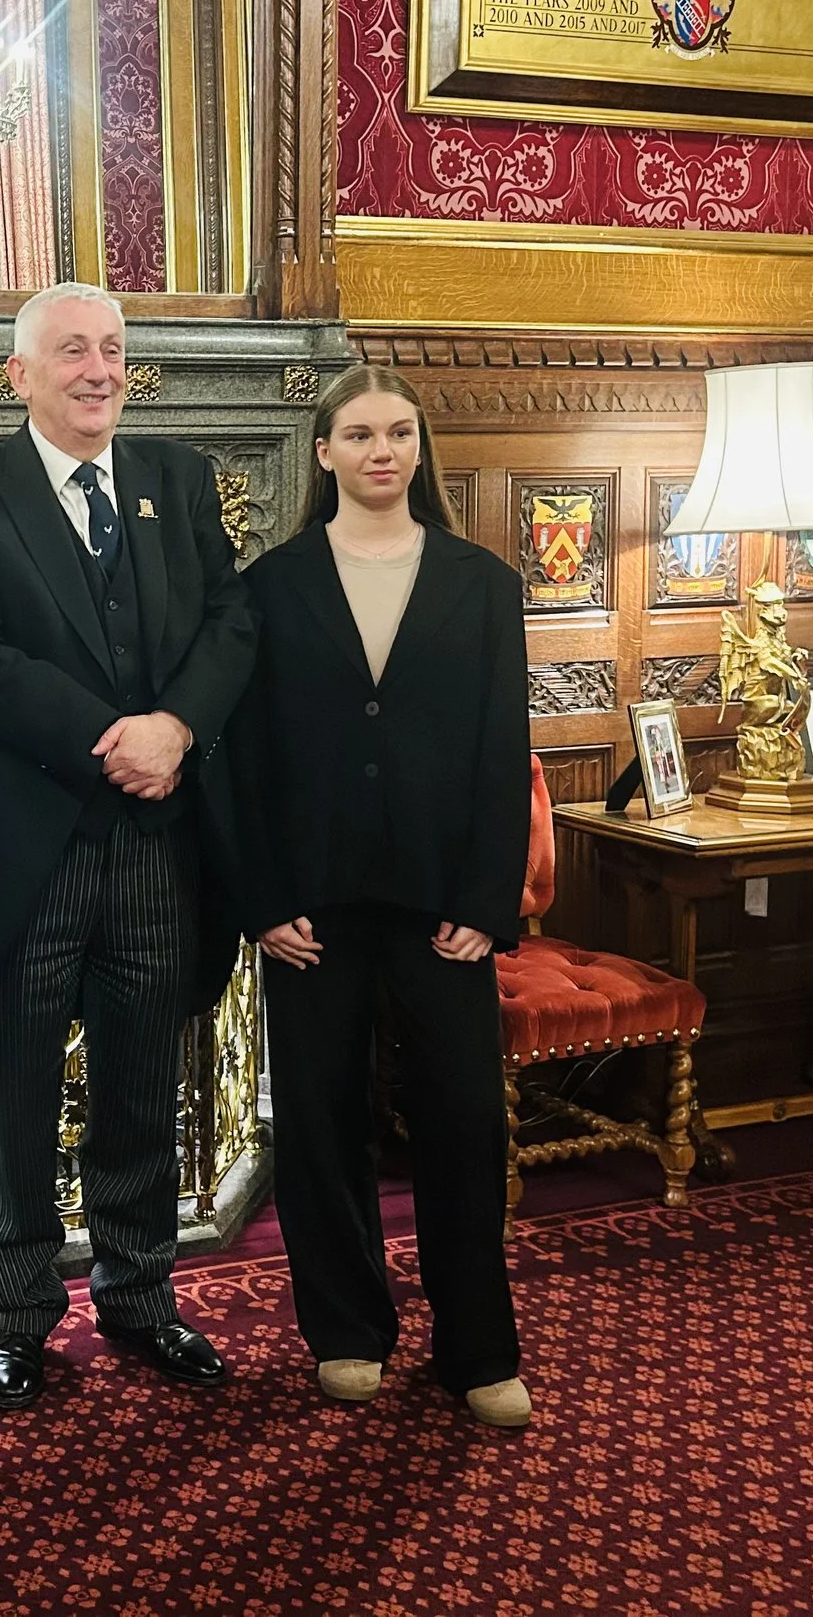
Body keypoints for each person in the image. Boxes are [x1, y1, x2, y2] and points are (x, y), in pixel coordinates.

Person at [0, 282, 256, 1412]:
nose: (98, 369)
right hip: (33, 850)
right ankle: (16, 1315)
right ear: (20, 374)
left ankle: (140, 1299)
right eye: (71, 352)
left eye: (112, 349)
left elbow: (229, 623)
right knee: (14, 1094)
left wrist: (179, 728)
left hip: (162, 846)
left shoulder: (177, 476)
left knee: (140, 1091)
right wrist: (111, 738)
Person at [226, 362, 534, 1429]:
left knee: (462, 1123)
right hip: (309, 909)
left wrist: (489, 902)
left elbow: (504, 753)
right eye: (357, 434)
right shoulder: (268, 585)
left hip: (443, 905)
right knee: (317, 1125)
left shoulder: (482, 582)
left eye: (398, 432)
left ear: (418, 448)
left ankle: (478, 1348)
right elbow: (243, 758)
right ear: (323, 453)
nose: (380, 451)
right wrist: (262, 899)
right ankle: (348, 1331)